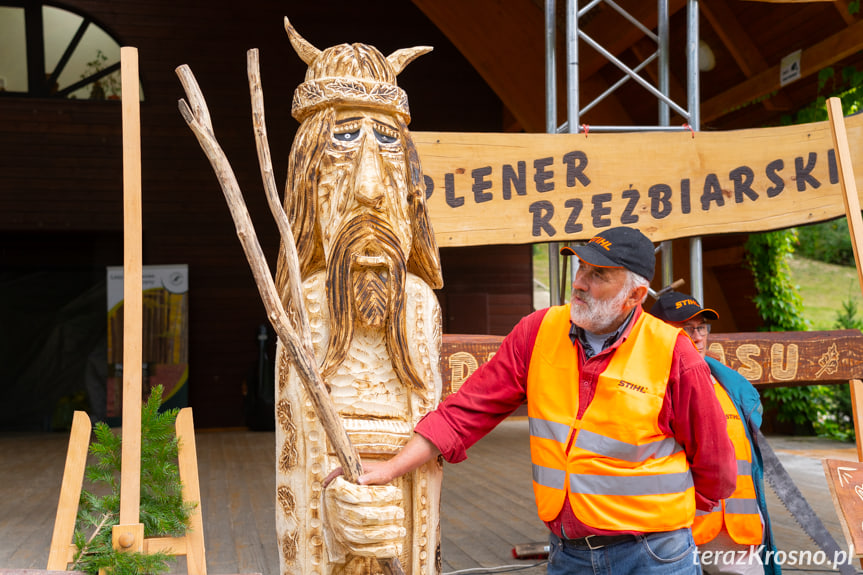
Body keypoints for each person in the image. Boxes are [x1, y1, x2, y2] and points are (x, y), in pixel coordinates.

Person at [329, 225, 736, 574]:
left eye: (598, 275)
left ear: (635, 296)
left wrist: (664, 527)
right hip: (568, 554)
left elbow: (716, 469)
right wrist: (391, 467)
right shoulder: (538, 331)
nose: (579, 282)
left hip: (652, 556)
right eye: (580, 267)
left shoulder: (674, 354)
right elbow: (466, 412)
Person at [273, 19, 445, 574]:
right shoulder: (302, 303)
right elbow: (295, 448)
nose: (368, 188)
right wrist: (335, 507)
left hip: (402, 521)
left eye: (388, 145)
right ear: (308, 176)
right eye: (345, 143)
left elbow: (431, 421)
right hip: (329, 519)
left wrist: (397, 501)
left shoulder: (418, 301)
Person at [651, 291, 780, 575]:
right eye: (685, 329)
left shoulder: (732, 387)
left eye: (701, 327)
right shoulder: (644, 387)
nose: (697, 337)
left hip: (736, 534)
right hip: (669, 533)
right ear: (658, 332)